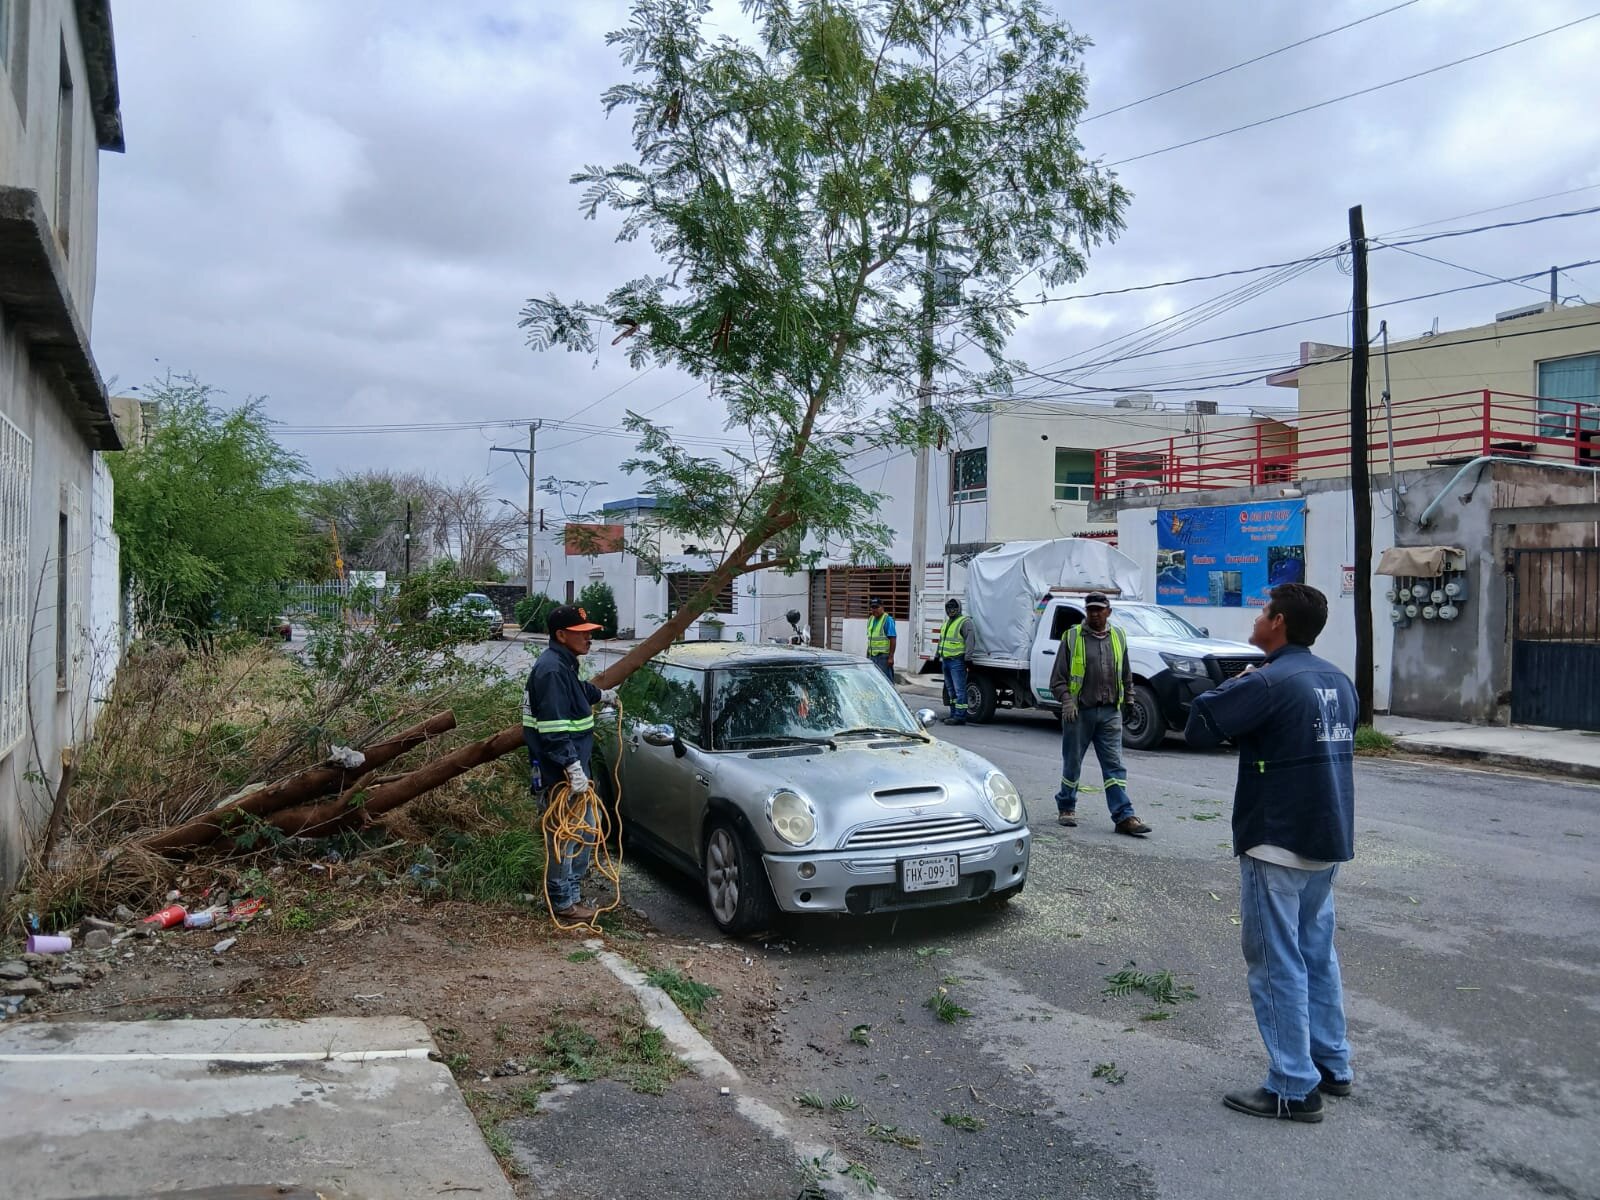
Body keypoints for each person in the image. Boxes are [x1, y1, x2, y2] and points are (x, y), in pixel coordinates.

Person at [1184, 582, 1356, 1125]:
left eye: (1262, 612)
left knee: (1275, 960)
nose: (1257, 619)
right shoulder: (1336, 679)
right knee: (1316, 954)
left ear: (1278, 622)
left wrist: (1236, 682)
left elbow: (1198, 727)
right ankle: (1332, 1065)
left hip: (1275, 839)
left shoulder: (1267, 680)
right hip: (1325, 837)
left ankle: (1291, 1085)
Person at [523, 604, 618, 922]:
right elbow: (552, 727)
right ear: (562, 635)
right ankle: (563, 901)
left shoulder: (562, 665)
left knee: (586, 831)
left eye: (590, 632)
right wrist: (571, 767)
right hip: (560, 772)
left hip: (570, 768)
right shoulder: (551, 670)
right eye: (583, 633)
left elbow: (574, 692)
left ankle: (571, 895)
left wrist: (599, 694)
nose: (589, 638)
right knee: (567, 836)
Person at [1049, 592, 1151, 837]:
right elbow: (1057, 680)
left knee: (1115, 766)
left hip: (1109, 714)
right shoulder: (1072, 637)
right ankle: (1066, 807)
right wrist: (1066, 702)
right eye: (1090, 609)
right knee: (1072, 762)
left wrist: (1129, 698)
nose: (1094, 614)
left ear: (1108, 612)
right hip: (1079, 713)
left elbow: (1126, 671)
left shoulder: (1118, 636)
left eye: (1099, 609)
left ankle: (1124, 815)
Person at [935, 597, 974, 724]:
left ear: (959, 608)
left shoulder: (965, 622)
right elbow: (942, 640)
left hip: (957, 661)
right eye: (949, 608)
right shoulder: (946, 623)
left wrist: (968, 659)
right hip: (946, 660)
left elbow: (970, 641)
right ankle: (953, 714)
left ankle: (960, 716)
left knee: (959, 690)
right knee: (950, 690)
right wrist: (937, 655)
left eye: (953, 608)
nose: (951, 610)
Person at [865, 597, 897, 683]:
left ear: (882, 607)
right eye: (872, 607)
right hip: (872, 656)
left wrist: (891, 657)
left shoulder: (887, 620)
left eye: (876, 607)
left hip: (883, 657)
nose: (874, 610)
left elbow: (893, 639)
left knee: (886, 681)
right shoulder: (871, 619)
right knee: (874, 681)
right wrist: (868, 653)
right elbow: (870, 638)